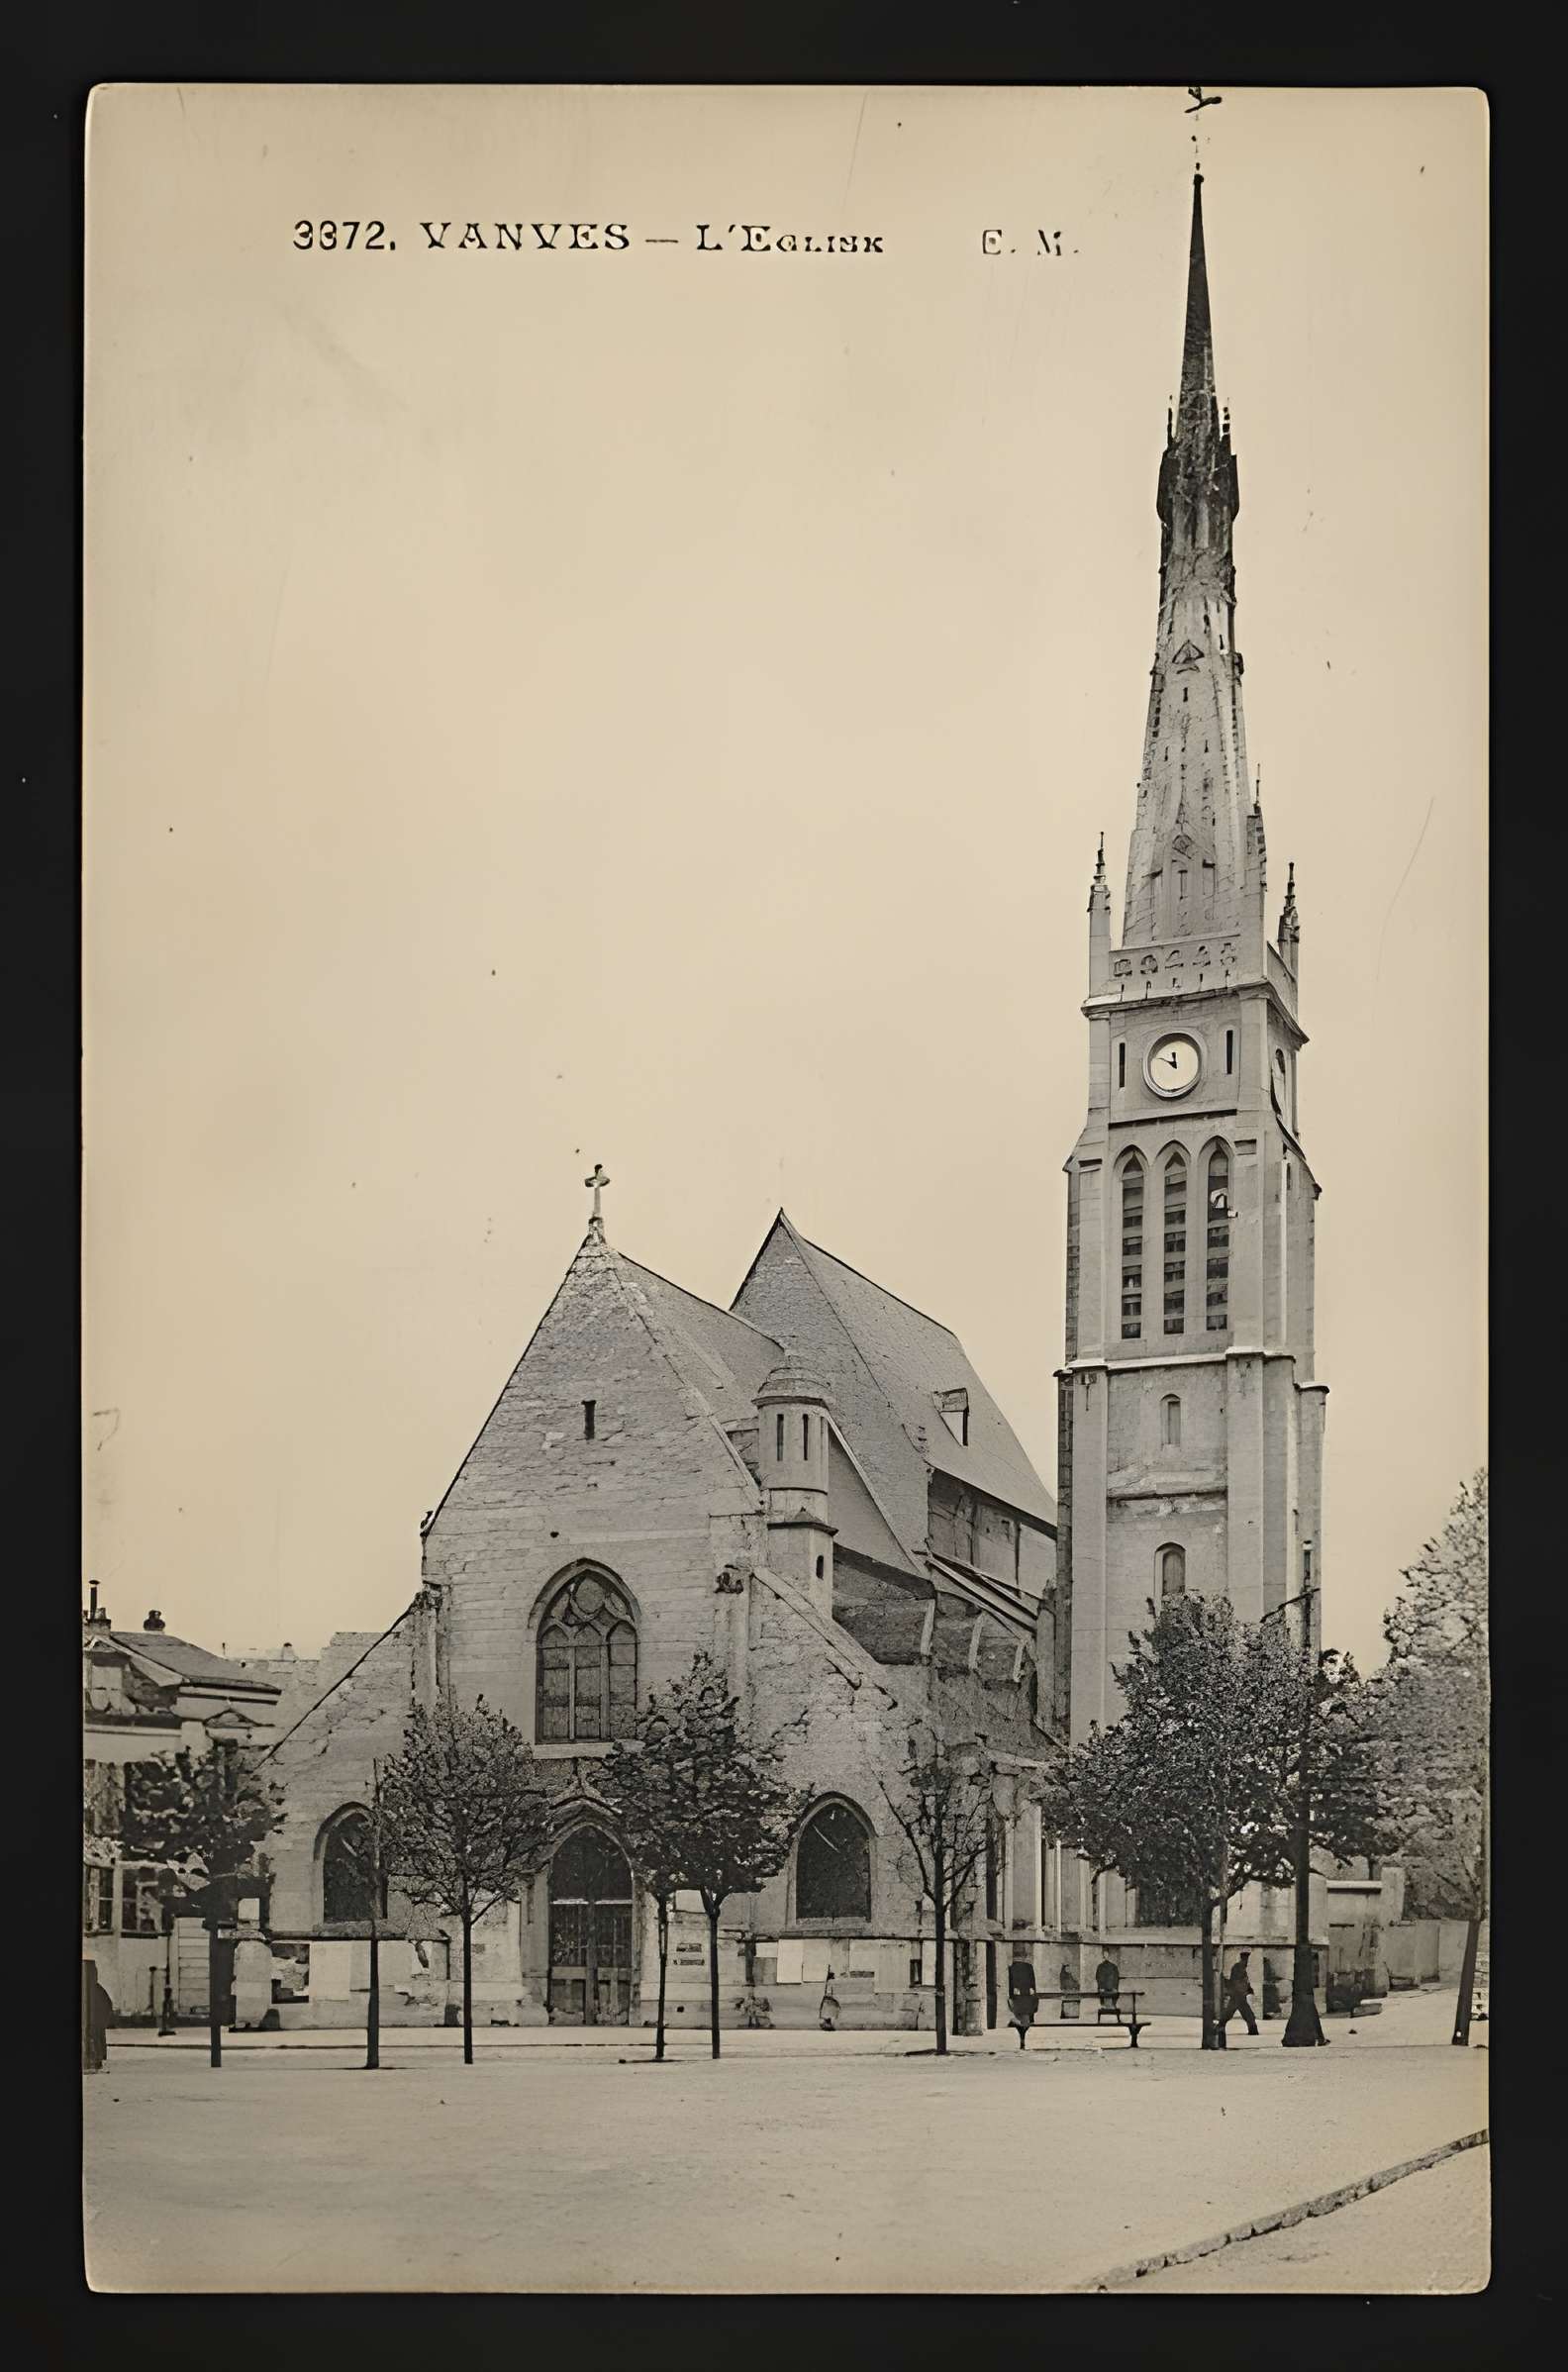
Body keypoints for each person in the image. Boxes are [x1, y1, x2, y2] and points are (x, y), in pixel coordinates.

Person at [1220, 1949, 1259, 2038]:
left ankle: (1220, 2026)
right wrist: (1242, 1991)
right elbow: (1236, 1981)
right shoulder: (1238, 1967)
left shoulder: (1242, 1968)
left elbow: (1244, 1981)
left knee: (1231, 2013)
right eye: (1246, 1959)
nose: (1247, 1961)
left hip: (1239, 1995)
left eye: (1247, 1959)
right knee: (1248, 2015)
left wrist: (1249, 1989)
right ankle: (1253, 2030)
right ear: (1243, 1958)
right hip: (1238, 1995)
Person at [1007, 1954, 1039, 2049]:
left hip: (1024, 1999)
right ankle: (1022, 2040)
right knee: (1024, 2023)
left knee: (1024, 2024)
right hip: (1022, 1999)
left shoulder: (1025, 1967)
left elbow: (1032, 1980)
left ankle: (1022, 2040)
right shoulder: (1018, 1968)